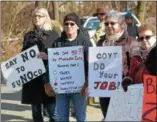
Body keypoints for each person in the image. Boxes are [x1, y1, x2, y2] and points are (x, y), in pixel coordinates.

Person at [96, 10, 140, 120]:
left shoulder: (131, 42)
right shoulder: (101, 43)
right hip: (104, 90)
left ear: (120, 24)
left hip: (123, 89)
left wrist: (128, 80)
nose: (109, 26)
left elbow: (136, 68)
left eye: (112, 23)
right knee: (107, 117)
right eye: (106, 23)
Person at [21, 7, 59, 122]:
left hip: (48, 77)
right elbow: (23, 54)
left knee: (53, 114)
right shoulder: (28, 35)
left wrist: (49, 57)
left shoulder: (53, 35)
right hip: (33, 78)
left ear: (45, 18)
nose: (36, 18)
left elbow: (60, 55)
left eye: (39, 16)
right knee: (36, 114)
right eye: (34, 16)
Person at [122, 24, 156, 89]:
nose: (144, 40)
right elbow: (131, 74)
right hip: (139, 94)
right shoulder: (135, 56)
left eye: (147, 37)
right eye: (141, 38)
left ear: (155, 37)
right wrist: (127, 80)